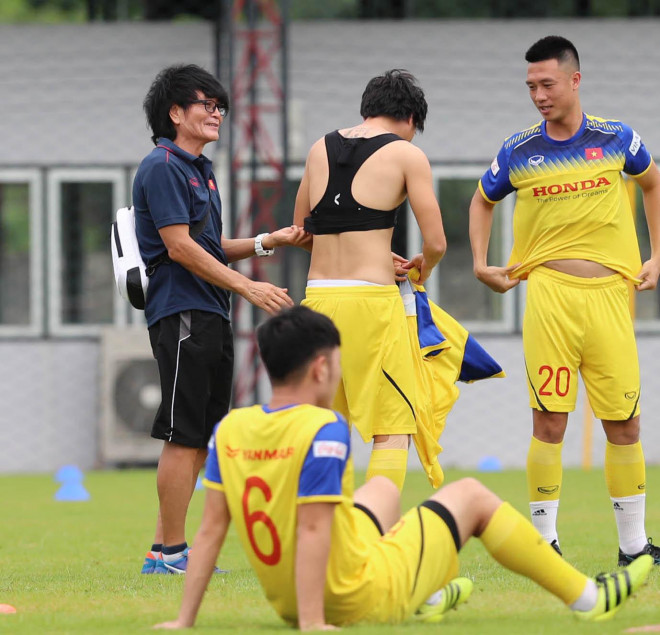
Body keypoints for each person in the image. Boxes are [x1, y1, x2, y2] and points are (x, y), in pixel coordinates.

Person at [153, 306, 652, 631]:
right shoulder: (324, 429)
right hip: (351, 598)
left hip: (285, 600)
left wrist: (183, 621)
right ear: (322, 368)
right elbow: (312, 530)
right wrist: (313, 623)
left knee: (382, 493)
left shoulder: (232, 428)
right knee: (473, 496)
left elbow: (211, 529)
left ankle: (426, 595)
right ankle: (588, 596)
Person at [469, 35, 660, 565]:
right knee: (549, 422)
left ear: (575, 80)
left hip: (611, 298)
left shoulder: (617, 138)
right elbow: (481, 201)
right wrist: (481, 265)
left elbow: (653, 183)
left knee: (624, 423)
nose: (538, 95)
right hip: (550, 298)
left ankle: (634, 547)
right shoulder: (518, 149)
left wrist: (657, 255)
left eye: (547, 84)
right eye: (531, 86)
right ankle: (545, 544)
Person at [133, 64, 307, 574]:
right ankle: (170, 553)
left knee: (202, 436)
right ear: (175, 112)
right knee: (182, 433)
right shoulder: (163, 165)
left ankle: (167, 551)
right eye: (206, 105)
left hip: (210, 309)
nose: (217, 114)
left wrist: (266, 242)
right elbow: (179, 246)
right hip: (182, 311)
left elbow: (208, 246)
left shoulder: (201, 170)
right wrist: (248, 286)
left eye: (220, 107)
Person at [292, 69, 447, 491]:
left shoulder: (319, 148)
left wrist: (368, 252)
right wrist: (422, 268)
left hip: (318, 300)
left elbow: (300, 231)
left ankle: (325, 522)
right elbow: (435, 242)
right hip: (372, 304)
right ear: (411, 118)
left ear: (367, 109)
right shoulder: (406, 154)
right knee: (392, 427)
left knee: (325, 426)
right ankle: (376, 524)